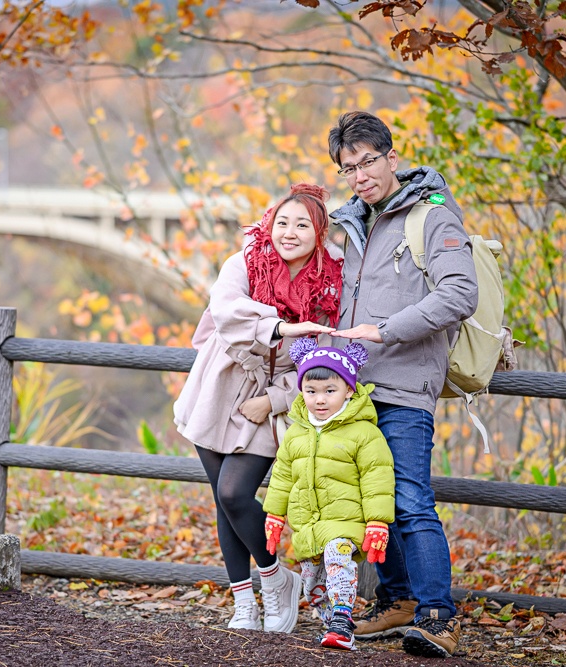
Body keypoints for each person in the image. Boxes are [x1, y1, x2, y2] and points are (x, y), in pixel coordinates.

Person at [326, 111, 479, 658]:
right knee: (373, 503)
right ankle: (397, 601)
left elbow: (461, 293)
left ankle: (440, 614)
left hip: (404, 386)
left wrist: (385, 331)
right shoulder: (353, 222)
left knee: (411, 500)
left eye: (370, 161)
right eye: (350, 167)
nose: (361, 174)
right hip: (352, 390)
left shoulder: (432, 215)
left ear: (393, 158)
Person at [173, 183, 343, 633]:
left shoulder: (332, 285)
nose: (289, 232)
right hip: (219, 386)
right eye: (282, 222)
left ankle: (275, 580)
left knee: (234, 493)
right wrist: (285, 327)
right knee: (223, 502)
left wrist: (276, 398)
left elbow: (326, 359)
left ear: (319, 231)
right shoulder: (246, 261)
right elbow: (227, 310)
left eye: (302, 224)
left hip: (270, 400)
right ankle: (245, 601)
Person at [262, 339, 395, 651]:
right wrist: (275, 515)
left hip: (345, 522)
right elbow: (282, 476)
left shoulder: (364, 433)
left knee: (338, 559)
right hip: (308, 524)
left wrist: (378, 521)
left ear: (349, 389)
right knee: (313, 584)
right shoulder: (296, 432)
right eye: (311, 391)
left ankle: (342, 621)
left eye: (329, 391)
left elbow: (378, 476)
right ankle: (330, 621)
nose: (319, 400)